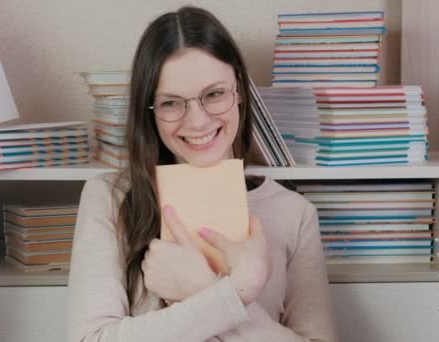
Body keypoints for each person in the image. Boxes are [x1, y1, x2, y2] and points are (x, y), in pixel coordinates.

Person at [68, 6, 338, 342]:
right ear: (149, 111)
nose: (197, 121)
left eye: (213, 94)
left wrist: (206, 288)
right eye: (170, 103)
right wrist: (236, 292)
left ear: (238, 90)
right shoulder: (108, 198)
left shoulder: (295, 213)